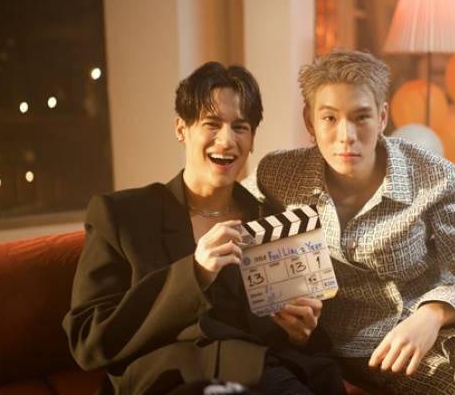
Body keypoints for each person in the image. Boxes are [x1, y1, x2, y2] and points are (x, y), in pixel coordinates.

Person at [247, 49, 455, 394]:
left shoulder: (433, 177)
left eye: (361, 117)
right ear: (310, 121)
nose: (346, 135)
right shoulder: (278, 174)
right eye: (329, 118)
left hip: (452, 324)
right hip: (360, 349)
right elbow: (225, 206)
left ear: (382, 117)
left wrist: (434, 313)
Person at [62, 62, 346, 395]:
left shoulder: (271, 221)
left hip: (265, 375)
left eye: (240, 127)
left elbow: (295, 336)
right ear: (181, 128)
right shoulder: (122, 215)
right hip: (175, 381)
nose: (226, 140)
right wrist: (194, 272)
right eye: (212, 124)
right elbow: (88, 340)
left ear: (253, 138)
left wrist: (299, 333)